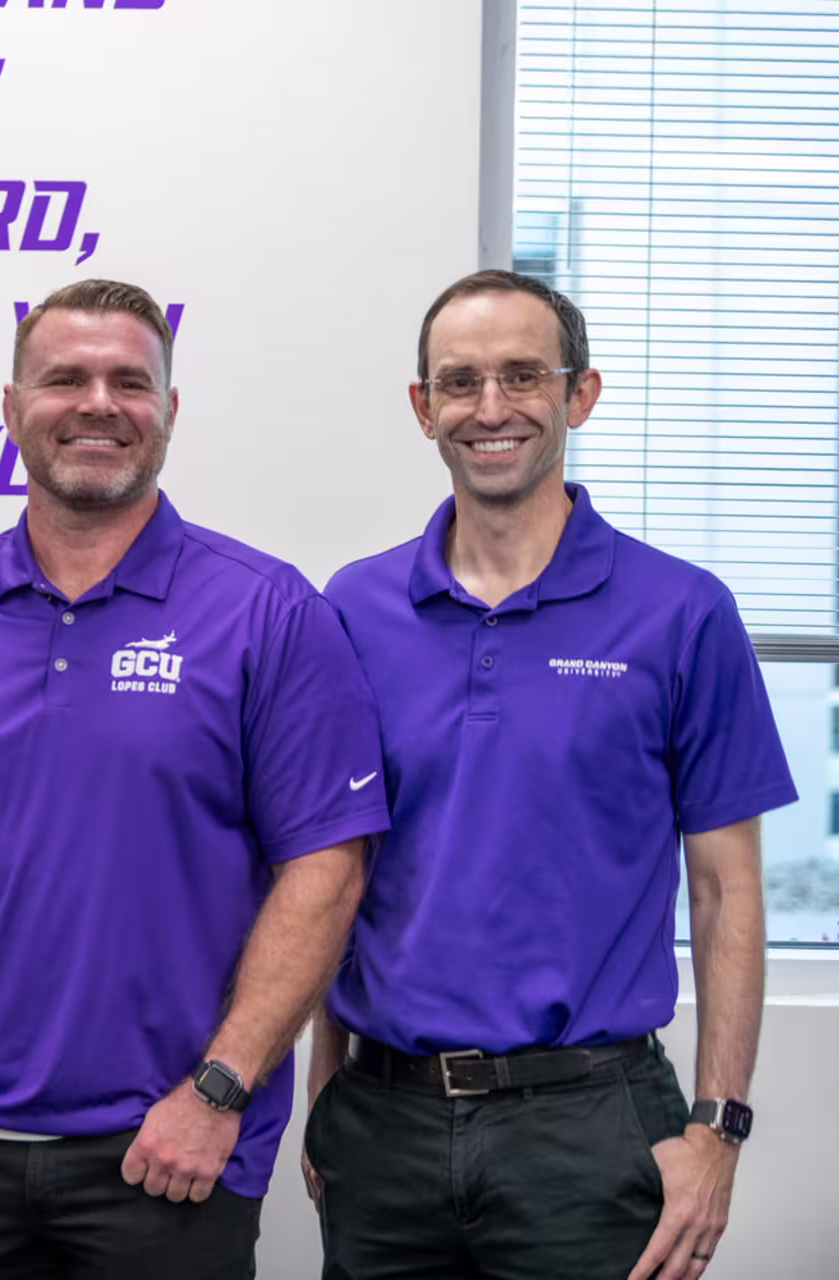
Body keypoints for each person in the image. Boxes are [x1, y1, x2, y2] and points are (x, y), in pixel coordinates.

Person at [0, 279, 390, 1278]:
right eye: (65, 378)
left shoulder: (269, 613)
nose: (97, 403)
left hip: (169, 1151)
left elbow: (328, 870)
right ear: (10, 407)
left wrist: (217, 1090)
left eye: (130, 380)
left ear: (170, 412)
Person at [304, 270, 797, 1280]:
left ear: (580, 394)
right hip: (384, 1120)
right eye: (462, 381)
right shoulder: (353, 608)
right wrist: (325, 1089)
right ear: (423, 406)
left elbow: (725, 886)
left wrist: (718, 1128)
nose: (492, 408)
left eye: (524, 375)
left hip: (588, 1126)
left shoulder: (682, 613)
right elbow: (334, 864)